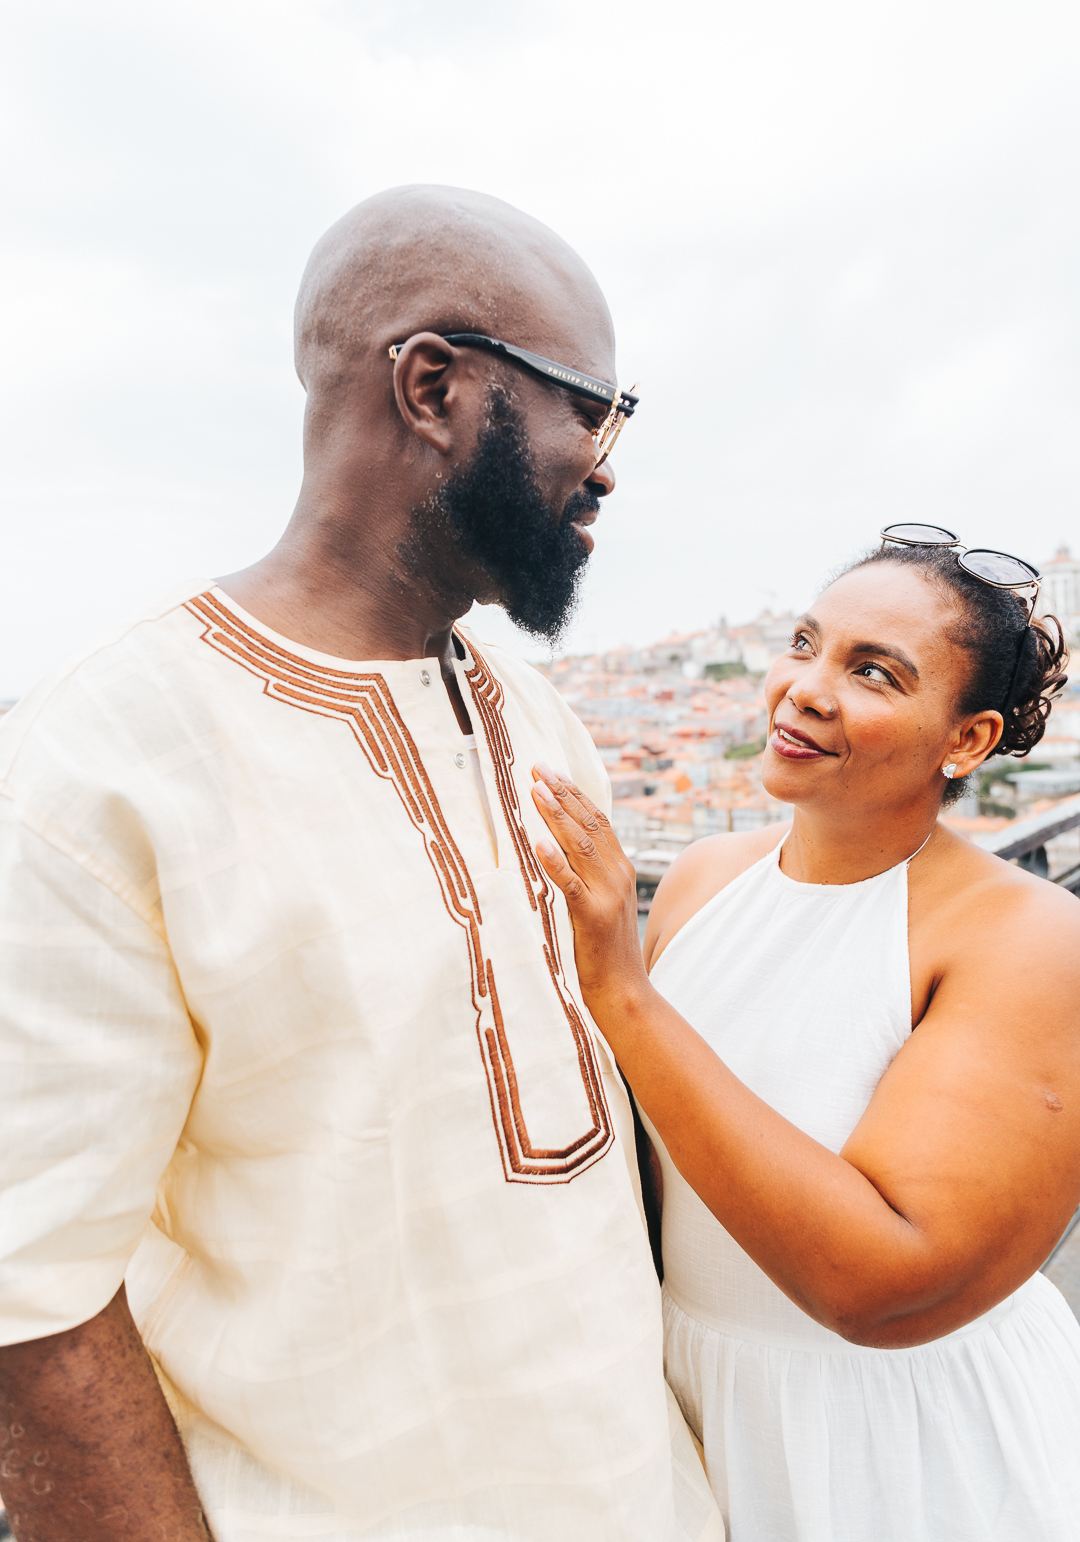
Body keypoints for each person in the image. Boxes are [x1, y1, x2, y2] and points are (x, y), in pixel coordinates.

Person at [0, 187, 720, 1542]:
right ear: (434, 385)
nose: (609, 464)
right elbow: (30, 1299)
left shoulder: (538, 715)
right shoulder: (112, 752)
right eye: (592, 408)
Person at [530, 527, 1080, 1542]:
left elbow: (884, 1282)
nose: (805, 689)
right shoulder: (704, 874)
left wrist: (622, 990)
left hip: (902, 1448)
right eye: (804, 643)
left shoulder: (1029, 937)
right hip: (696, 1405)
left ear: (967, 741)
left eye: (873, 673)